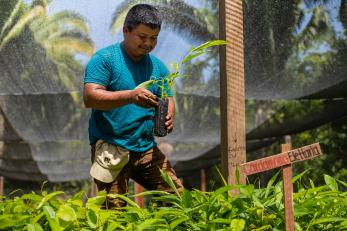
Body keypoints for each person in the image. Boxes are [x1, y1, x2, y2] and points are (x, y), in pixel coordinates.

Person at [83, 4, 183, 208]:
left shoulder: (159, 68)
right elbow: (90, 97)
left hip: (146, 147)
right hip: (112, 147)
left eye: (154, 38)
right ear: (126, 31)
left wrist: (169, 112)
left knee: (176, 198)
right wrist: (130, 96)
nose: (148, 43)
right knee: (114, 210)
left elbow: (167, 97)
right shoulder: (106, 59)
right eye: (142, 36)